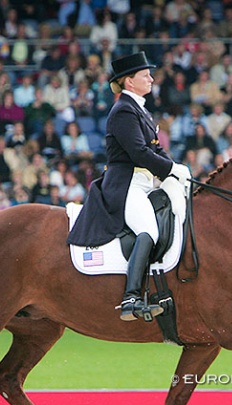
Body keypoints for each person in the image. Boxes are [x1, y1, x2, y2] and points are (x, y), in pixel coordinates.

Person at [66, 52, 191, 322]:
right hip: (126, 185)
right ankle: (131, 298)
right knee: (149, 229)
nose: (151, 78)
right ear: (128, 81)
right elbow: (138, 152)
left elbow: (156, 149)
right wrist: (169, 169)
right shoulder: (123, 110)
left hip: (145, 183)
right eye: (145, 75)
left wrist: (175, 172)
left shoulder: (140, 109)